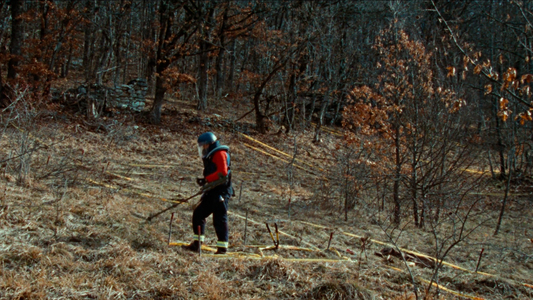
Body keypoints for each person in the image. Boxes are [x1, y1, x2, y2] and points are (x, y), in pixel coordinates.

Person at [182, 132, 233, 254]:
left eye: (204, 146)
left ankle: (222, 248)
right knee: (199, 214)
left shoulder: (220, 154)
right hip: (212, 191)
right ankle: (197, 244)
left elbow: (223, 173)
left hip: (221, 192)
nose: (203, 149)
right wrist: (205, 181)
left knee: (219, 219)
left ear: (210, 144)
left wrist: (208, 179)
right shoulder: (212, 155)